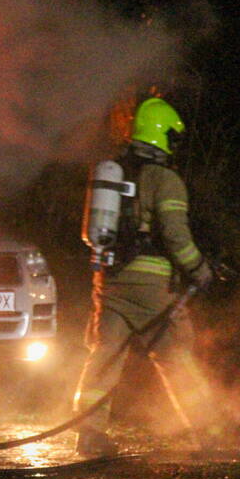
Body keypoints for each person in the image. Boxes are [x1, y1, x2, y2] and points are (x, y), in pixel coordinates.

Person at [73, 97, 220, 457]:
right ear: (164, 134)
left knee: (104, 356)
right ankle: (209, 434)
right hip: (152, 286)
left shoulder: (114, 172)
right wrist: (199, 268)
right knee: (176, 356)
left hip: (109, 281)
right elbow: (174, 233)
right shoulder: (164, 179)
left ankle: (89, 434)